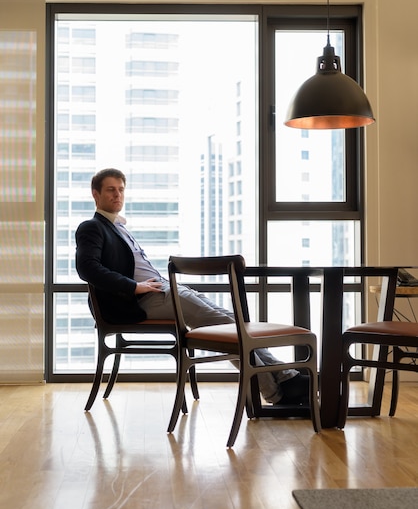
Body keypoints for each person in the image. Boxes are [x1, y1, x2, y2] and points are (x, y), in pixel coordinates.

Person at [75, 168, 309, 405]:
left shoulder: (119, 228)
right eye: (110, 190)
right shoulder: (92, 227)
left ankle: (284, 380)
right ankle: (279, 388)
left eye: (121, 190)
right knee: (226, 327)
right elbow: (87, 268)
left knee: (230, 320)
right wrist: (133, 287)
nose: (117, 195)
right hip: (136, 301)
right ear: (96, 194)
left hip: (163, 290)